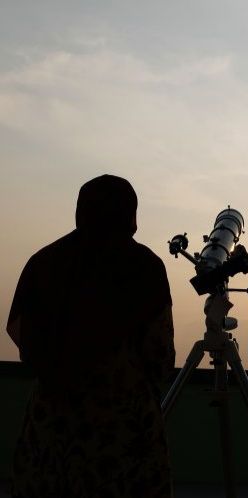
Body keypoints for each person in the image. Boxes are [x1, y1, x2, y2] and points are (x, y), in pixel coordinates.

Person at [7, 175, 176, 498]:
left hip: (50, 428)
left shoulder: (44, 262)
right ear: (130, 214)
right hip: (123, 435)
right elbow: (160, 354)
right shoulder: (144, 267)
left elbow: (21, 334)